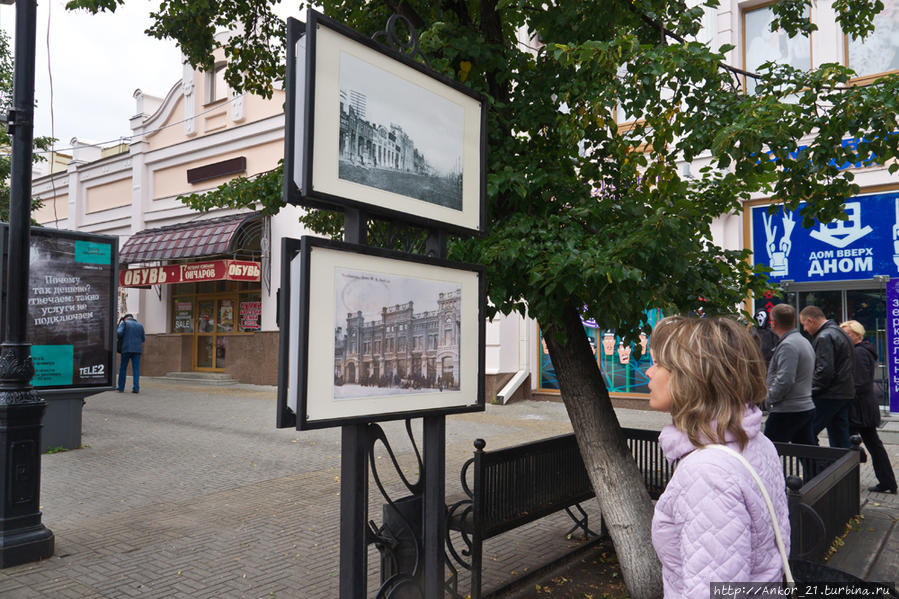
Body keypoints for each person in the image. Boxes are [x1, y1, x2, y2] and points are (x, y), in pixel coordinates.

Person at [648, 316, 790, 595]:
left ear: (692, 376)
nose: (649, 372)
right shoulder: (756, 442)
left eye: (659, 364)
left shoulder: (707, 472)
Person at [840, 321, 897, 494]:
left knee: (852, 441)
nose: (843, 338)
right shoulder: (861, 351)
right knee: (873, 444)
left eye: (847, 334)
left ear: (857, 335)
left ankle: (881, 477)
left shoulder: (859, 353)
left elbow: (861, 382)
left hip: (860, 408)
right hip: (863, 407)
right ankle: (887, 481)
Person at [799, 306, 854, 448]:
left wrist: (809, 391)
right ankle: (842, 469)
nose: (804, 329)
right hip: (843, 393)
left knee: (806, 432)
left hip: (828, 394)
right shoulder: (839, 332)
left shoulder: (824, 337)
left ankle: (818, 467)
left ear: (810, 321)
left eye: (804, 324)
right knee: (840, 437)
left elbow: (824, 371)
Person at [764, 304, 817, 445]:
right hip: (803, 407)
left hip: (787, 410)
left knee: (767, 455)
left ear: (773, 323)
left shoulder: (788, 345)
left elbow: (785, 380)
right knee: (808, 456)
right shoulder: (803, 341)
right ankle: (818, 468)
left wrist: (769, 399)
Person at [117, 313, 146, 394]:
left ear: (126, 318)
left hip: (126, 349)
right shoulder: (140, 325)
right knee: (136, 369)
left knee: (123, 368)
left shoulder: (124, 323)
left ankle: (121, 387)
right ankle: (136, 388)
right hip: (137, 350)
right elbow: (143, 339)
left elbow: (118, 333)